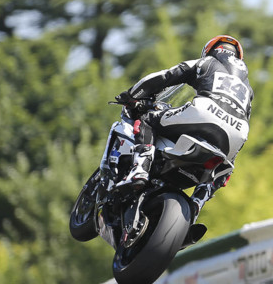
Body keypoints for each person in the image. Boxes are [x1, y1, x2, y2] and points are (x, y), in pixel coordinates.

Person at [104, 35, 253, 218]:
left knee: (147, 120)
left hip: (204, 113)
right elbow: (244, 117)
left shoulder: (207, 62)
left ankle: (140, 168)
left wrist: (132, 94)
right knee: (224, 167)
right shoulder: (247, 87)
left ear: (210, 50)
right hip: (238, 132)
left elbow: (167, 75)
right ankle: (198, 201)